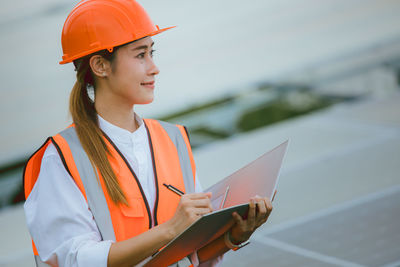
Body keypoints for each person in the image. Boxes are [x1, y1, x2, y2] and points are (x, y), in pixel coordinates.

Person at [23, 0, 273, 266]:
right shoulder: (62, 157)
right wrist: (169, 229)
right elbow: (76, 259)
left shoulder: (173, 138)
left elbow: (189, 256)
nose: (154, 67)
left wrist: (233, 235)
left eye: (152, 53)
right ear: (100, 66)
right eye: (140, 55)